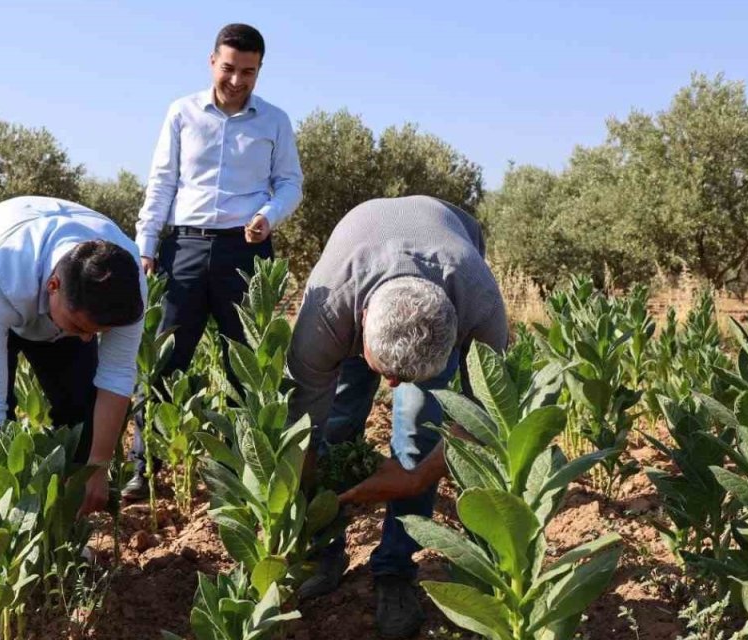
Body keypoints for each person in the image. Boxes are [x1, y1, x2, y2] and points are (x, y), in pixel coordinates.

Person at [287, 196, 507, 638]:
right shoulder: (326, 316)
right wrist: (314, 498)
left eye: (403, 376)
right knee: (335, 422)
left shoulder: (480, 305)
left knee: (419, 430)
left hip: (445, 263)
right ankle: (323, 547)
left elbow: (481, 418)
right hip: (358, 265)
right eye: (384, 371)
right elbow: (302, 429)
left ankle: (394, 570)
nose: (393, 387)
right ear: (361, 323)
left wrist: (418, 478)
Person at [125, 22, 303, 500]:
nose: (237, 80)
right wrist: (145, 246)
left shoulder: (275, 121)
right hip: (182, 248)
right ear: (212, 62)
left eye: (248, 71)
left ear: (260, 69)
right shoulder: (181, 113)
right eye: (229, 68)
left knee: (249, 363)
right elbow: (161, 183)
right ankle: (144, 469)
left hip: (246, 252)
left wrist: (268, 216)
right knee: (162, 361)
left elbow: (290, 183)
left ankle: (248, 469)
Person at [0, 196, 145, 515]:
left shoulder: (127, 285)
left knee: (79, 402)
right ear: (53, 285)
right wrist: (9, 517)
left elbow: (115, 377)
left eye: (97, 332)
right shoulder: (0, 276)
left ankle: (67, 526)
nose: (88, 338)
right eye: (79, 326)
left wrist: (98, 468)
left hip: (48, 281)